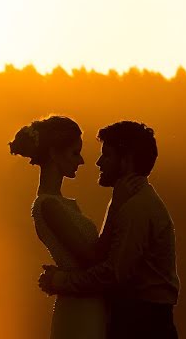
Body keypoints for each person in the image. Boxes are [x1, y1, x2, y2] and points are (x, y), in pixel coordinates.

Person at [38, 121, 180, 339]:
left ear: (126, 162)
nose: (98, 162)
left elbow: (113, 274)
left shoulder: (135, 208)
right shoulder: (127, 201)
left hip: (142, 323)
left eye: (107, 155)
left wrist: (62, 281)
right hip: (134, 318)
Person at [10, 115, 108, 339]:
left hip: (86, 302)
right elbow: (91, 259)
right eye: (75, 153)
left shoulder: (59, 204)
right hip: (80, 309)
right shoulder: (50, 206)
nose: (81, 161)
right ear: (55, 153)